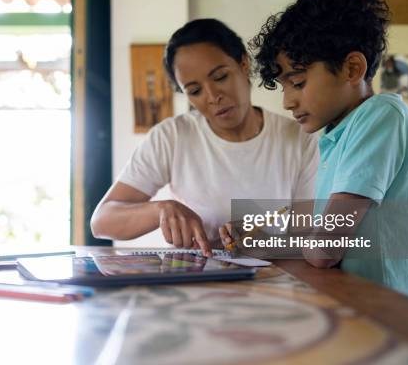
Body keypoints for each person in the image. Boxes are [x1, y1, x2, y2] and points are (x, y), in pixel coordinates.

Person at [223, 0, 408, 303]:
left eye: (297, 83)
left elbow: (324, 248)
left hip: (391, 314)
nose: (287, 101)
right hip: (360, 304)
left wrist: (274, 242)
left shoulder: (382, 116)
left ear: (352, 68)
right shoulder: (336, 135)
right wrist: (259, 237)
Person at [91, 18, 319, 256]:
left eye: (220, 77)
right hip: (200, 284)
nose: (212, 96)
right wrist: (161, 210)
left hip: (277, 283)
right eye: (195, 91)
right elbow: (102, 221)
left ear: (243, 64)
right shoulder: (172, 137)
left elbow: (311, 238)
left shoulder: (300, 139)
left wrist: (261, 241)